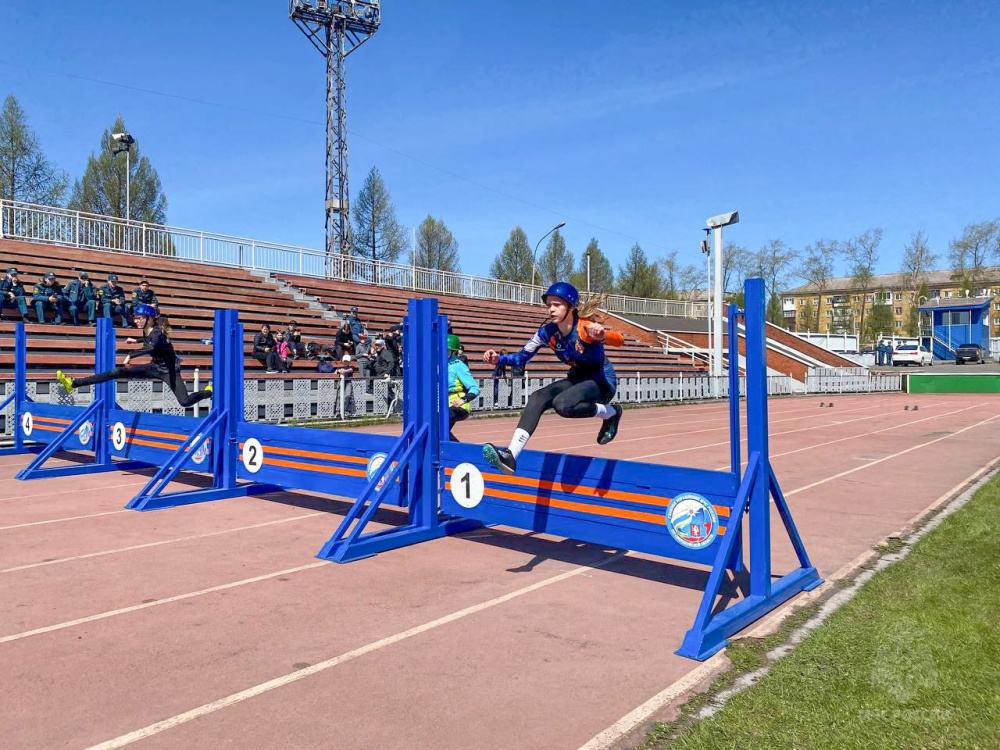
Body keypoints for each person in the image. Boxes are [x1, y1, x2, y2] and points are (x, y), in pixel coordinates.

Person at [481, 282, 625, 474]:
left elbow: (620, 340)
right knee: (537, 397)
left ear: (570, 307)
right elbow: (521, 358)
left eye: (557, 305)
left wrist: (602, 335)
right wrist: (499, 359)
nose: (551, 309)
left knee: (562, 404)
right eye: (549, 305)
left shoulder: (585, 328)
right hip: (577, 379)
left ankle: (611, 413)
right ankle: (511, 455)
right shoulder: (546, 333)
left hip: (601, 381)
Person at [55, 304, 212, 408]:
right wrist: (136, 340)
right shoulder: (147, 330)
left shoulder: (158, 332)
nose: (136, 321)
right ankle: (73, 383)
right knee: (117, 372)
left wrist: (131, 355)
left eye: (139, 318)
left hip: (170, 370)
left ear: (149, 319)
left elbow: (152, 346)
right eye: (135, 318)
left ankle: (208, 392)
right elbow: (149, 341)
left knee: (184, 402)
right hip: (155, 367)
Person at [447, 334, 480, 441]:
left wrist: (463, 400)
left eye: (447, 350)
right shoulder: (440, 364)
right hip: (444, 406)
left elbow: (475, 388)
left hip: (458, 406)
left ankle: (460, 449)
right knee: (439, 433)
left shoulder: (458, 365)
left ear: (454, 351)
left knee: (438, 425)